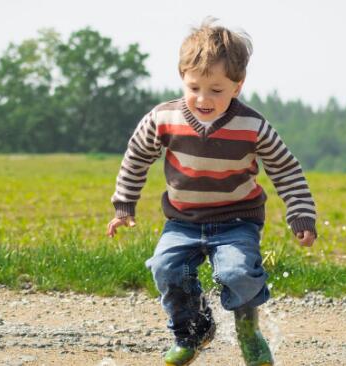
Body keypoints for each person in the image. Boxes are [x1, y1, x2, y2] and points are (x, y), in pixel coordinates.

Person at [107, 18, 317, 366]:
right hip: (182, 221)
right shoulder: (163, 118)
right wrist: (124, 205)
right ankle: (193, 332)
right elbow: (136, 158)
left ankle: (248, 330)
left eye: (216, 90)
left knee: (236, 273)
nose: (203, 99)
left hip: (237, 220)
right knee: (165, 268)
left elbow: (285, 168)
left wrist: (300, 214)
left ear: (238, 86)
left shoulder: (253, 126)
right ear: (182, 78)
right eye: (194, 87)